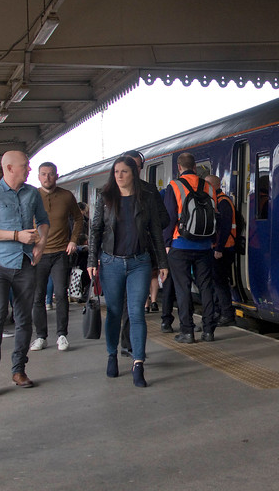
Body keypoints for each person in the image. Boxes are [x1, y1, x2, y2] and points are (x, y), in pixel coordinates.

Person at [87, 156, 168, 388]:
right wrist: (92, 259)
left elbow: (154, 231)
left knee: (136, 314)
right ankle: (112, 355)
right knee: (113, 312)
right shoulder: (105, 198)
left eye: (124, 171)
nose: (119, 176)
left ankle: (138, 364)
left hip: (139, 262)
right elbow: (95, 231)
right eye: (116, 172)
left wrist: (162, 262)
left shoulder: (147, 198)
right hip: (111, 262)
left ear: (134, 173)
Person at [0, 151, 49, 394]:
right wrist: (16, 235)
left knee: (24, 318)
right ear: (9, 168)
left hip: (25, 263)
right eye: (25, 166)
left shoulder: (31, 193)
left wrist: (40, 243)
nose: (29, 169)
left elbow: (43, 221)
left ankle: (18, 369)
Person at [118, 150, 170, 356]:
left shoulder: (148, 192)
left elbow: (163, 219)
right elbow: (99, 226)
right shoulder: (112, 192)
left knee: (135, 303)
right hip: (115, 256)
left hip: (141, 255)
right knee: (119, 304)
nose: (133, 169)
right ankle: (121, 345)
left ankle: (130, 345)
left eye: (136, 165)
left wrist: (147, 227)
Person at [163, 152, 218, 344]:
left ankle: (187, 331)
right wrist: (213, 241)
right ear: (195, 167)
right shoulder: (209, 187)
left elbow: (169, 217)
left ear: (179, 167)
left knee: (183, 288)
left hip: (180, 243)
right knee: (206, 287)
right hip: (205, 245)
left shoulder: (174, 186)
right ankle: (209, 330)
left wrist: (167, 243)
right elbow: (214, 215)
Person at [29, 162, 83, 353]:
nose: (47, 178)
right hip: (38, 254)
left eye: (51, 174)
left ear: (56, 176)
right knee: (38, 297)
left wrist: (73, 240)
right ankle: (41, 336)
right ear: (38, 176)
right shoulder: (31, 196)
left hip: (61, 252)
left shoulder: (67, 196)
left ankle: (62, 335)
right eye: (43, 174)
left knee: (60, 294)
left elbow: (78, 218)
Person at [204, 175, 237, 327]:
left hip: (224, 248)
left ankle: (227, 314)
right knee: (215, 281)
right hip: (220, 247)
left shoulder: (223, 202)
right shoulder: (217, 200)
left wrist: (219, 248)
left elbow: (225, 227)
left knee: (220, 282)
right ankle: (219, 311)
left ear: (212, 185)